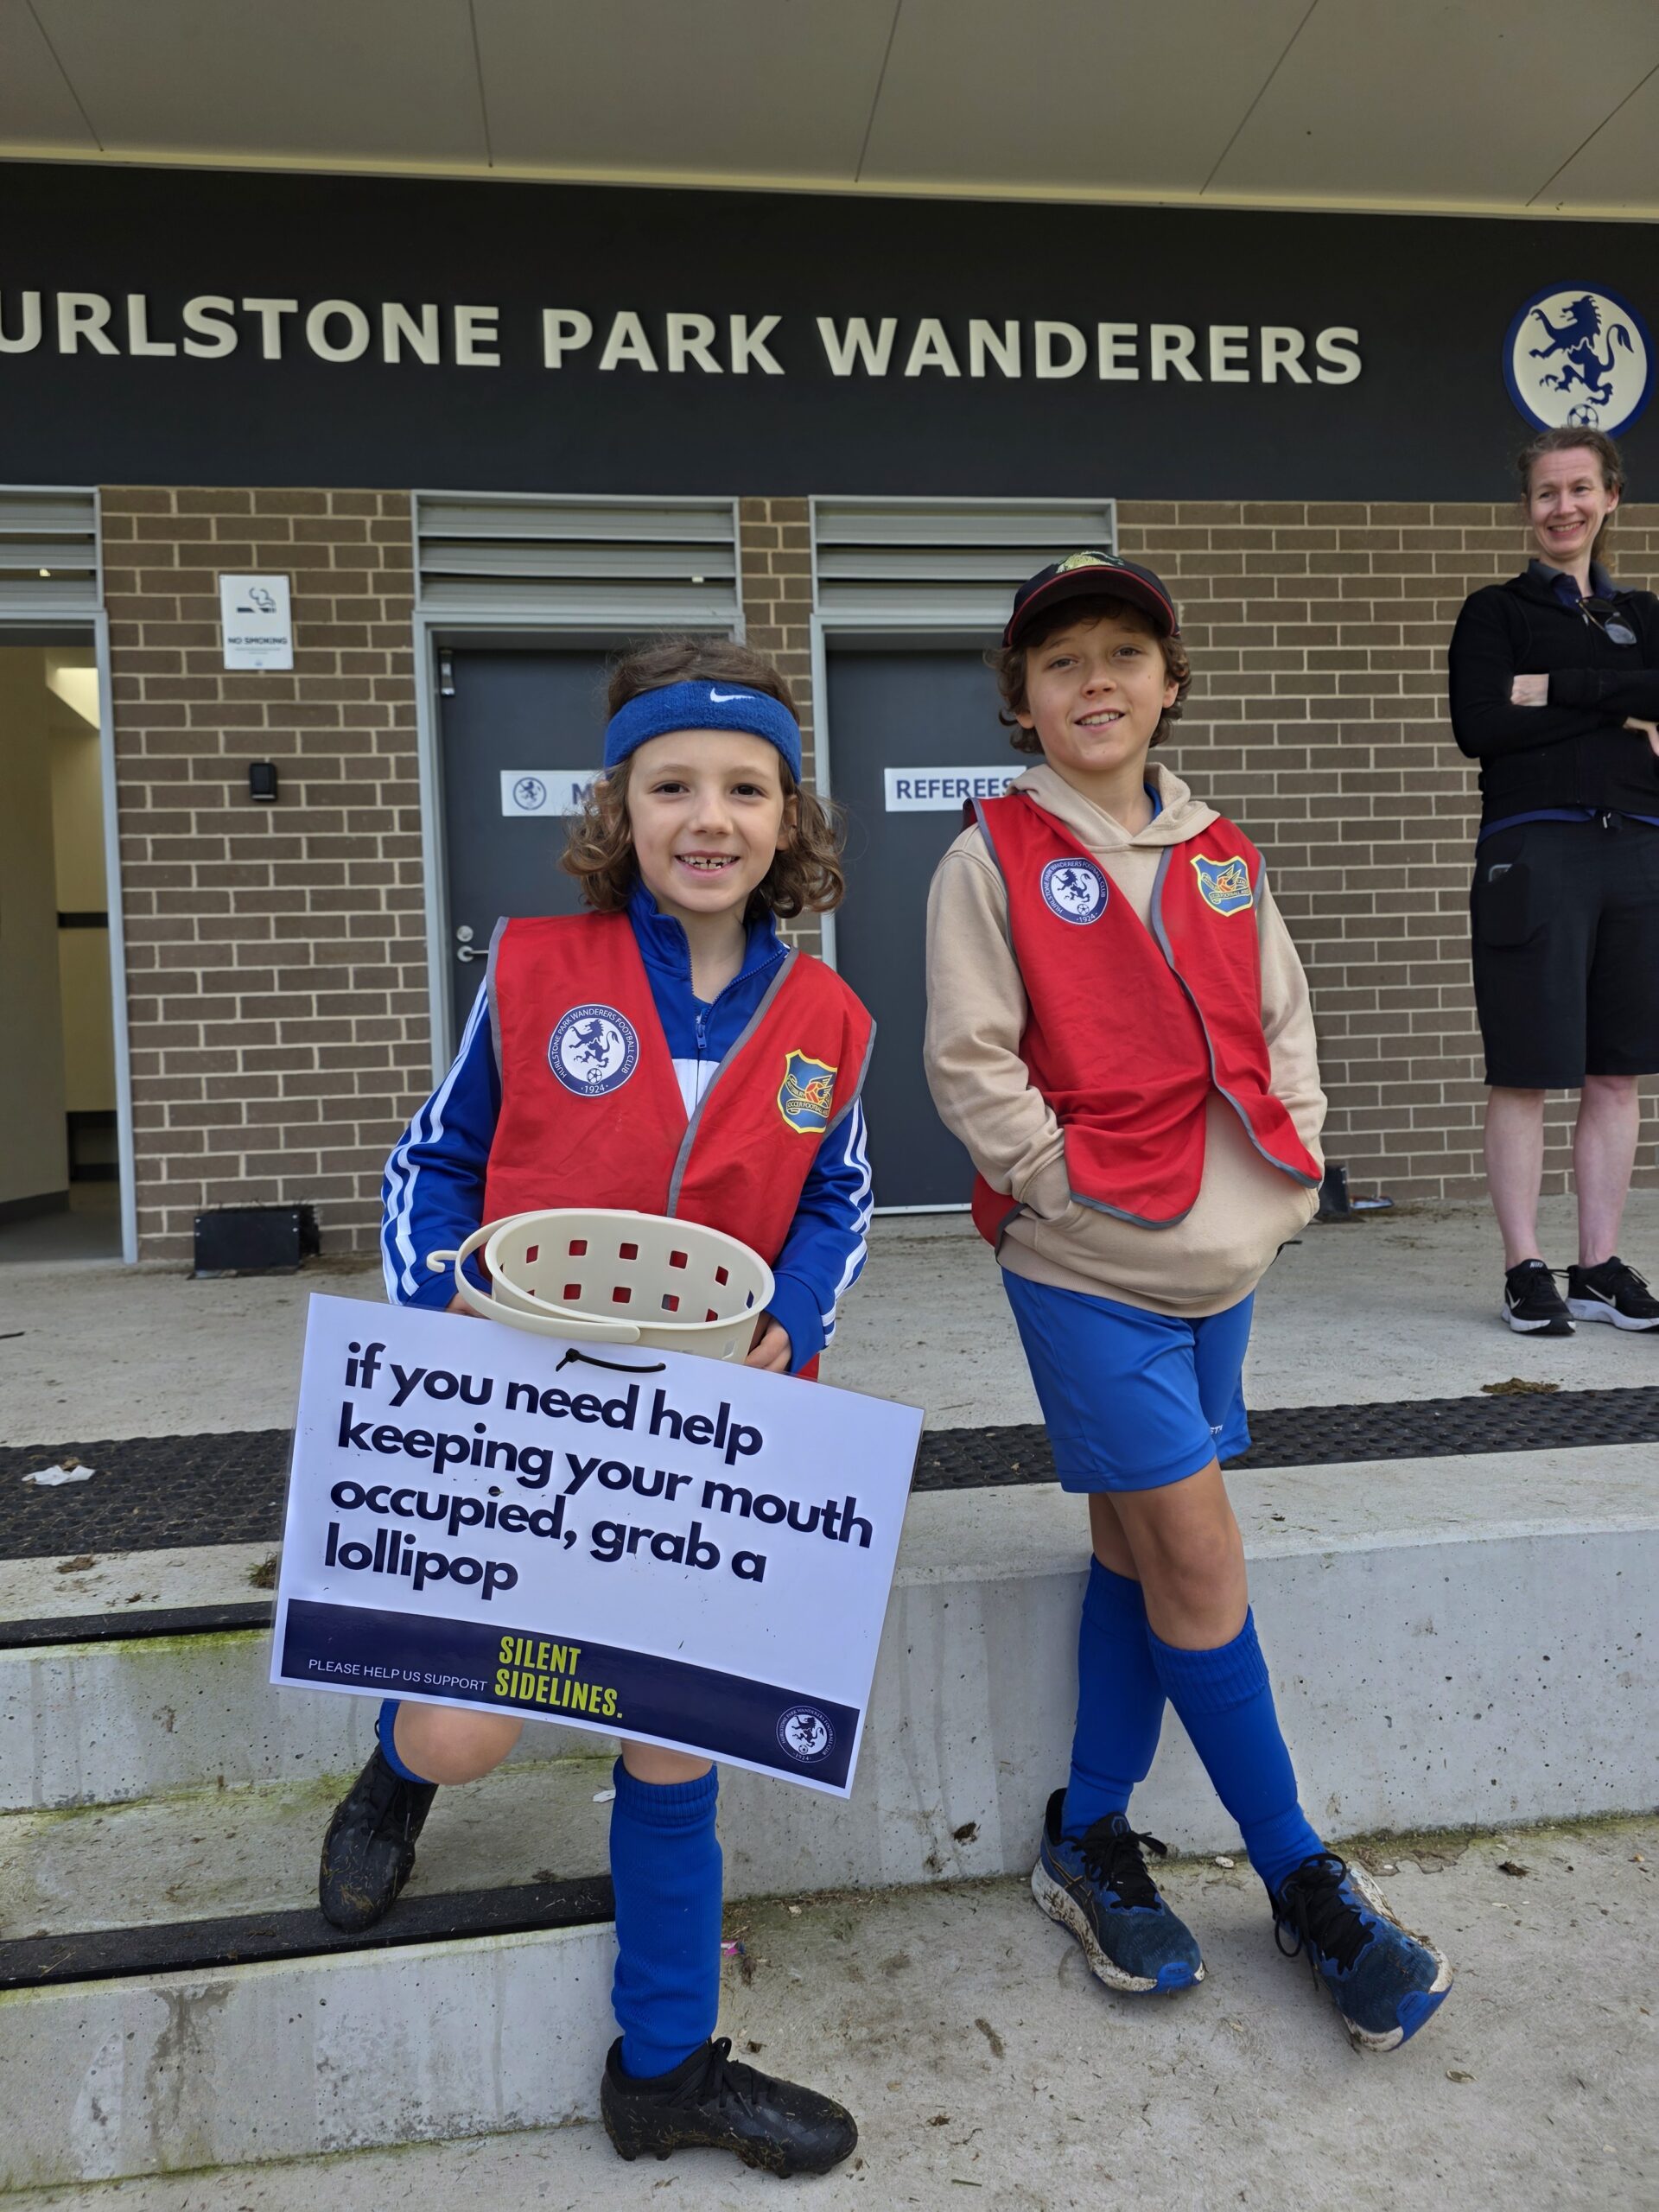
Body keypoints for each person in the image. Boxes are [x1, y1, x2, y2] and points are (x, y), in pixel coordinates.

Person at [321, 639, 874, 2177]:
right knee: (468, 1733)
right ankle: (396, 1774)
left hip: (698, 1443)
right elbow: (436, 1161)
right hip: (527, 1425)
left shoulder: (828, 1015)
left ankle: (665, 2067)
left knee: (672, 1739)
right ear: (621, 810)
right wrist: (437, 1305)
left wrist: (795, 1318)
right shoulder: (536, 969)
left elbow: (838, 1201)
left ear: (788, 816)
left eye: (745, 788)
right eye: (673, 786)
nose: (710, 818)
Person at [924, 552, 1452, 2052]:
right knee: (1202, 1558)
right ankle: (1300, 1875)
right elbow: (970, 1061)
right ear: (1022, 701)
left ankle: (1087, 1833)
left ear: (1168, 684)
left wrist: (1291, 1178)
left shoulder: (1225, 851)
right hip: (1088, 1271)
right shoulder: (989, 857)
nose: (1095, 681)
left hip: (1228, 1260)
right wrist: (1062, 1194)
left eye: (1124, 655)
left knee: (1130, 1544)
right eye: (1061, 662)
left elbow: (1286, 1024)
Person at [1449, 428, 1659, 1336]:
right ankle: (1525, 1267)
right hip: (1532, 854)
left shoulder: (1644, 612)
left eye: (1579, 489)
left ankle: (1598, 1268)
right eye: (1546, 492)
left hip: (1638, 850)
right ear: (1527, 506)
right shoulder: (1494, 613)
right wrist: (1621, 703)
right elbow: (1482, 725)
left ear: (1611, 497)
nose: (1562, 507)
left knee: (1616, 1074)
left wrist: (1555, 687)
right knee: (1528, 1071)